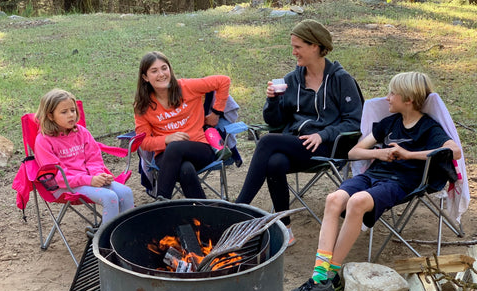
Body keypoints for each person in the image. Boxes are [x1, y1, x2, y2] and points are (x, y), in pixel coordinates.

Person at [288, 71, 462, 291]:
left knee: (357, 201)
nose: (387, 98)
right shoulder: (388, 124)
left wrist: (409, 154)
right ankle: (320, 275)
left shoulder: (428, 128)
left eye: (392, 93)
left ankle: (331, 277)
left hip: (401, 182)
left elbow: (454, 151)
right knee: (334, 198)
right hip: (373, 175)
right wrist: (377, 154)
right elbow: (353, 152)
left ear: (408, 99)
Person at [235, 19, 363, 246]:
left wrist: (323, 134)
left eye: (298, 47)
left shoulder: (341, 80)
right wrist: (272, 101)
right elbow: (275, 122)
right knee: (274, 162)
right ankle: (286, 229)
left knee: (266, 143)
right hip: (298, 144)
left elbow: (355, 122)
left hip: (329, 146)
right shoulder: (291, 80)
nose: (293, 52)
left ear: (315, 46)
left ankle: (238, 209)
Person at [134, 51, 231, 199]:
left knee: (175, 146)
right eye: (154, 71)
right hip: (166, 157)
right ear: (145, 77)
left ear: (170, 70)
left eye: (164, 68)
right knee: (185, 169)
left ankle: (162, 203)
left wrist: (216, 113)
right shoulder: (143, 105)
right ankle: (202, 216)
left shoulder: (187, 87)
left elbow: (223, 81)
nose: (161, 74)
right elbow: (145, 143)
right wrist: (167, 139)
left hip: (200, 148)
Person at [33, 89, 135, 226]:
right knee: (109, 197)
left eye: (73, 110)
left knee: (126, 192)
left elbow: (94, 159)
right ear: (50, 116)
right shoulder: (44, 141)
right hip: (64, 187)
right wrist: (89, 180)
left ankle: (127, 235)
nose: (71, 115)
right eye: (64, 112)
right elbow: (56, 177)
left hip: (89, 179)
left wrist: (99, 175)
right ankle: (105, 244)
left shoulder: (82, 132)